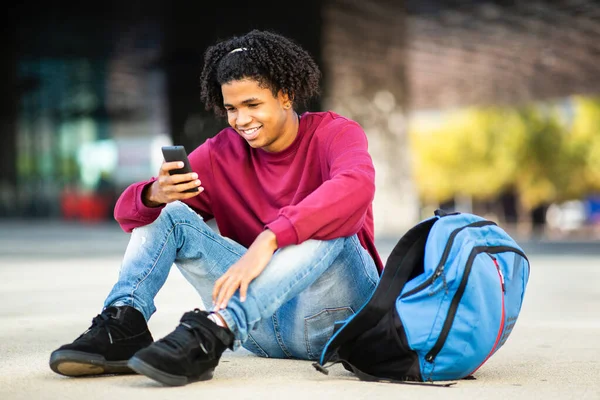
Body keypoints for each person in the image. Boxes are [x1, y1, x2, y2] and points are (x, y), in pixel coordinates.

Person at [49, 29, 383, 386]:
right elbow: (128, 215)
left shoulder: (335, 133)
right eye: (231, 109)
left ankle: (214, 329)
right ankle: (124, 323)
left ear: (285, 96)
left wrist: (272, 237)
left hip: (337, 320)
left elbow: (356, 186)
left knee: (331, 228)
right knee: (171, 212)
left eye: (252, 105)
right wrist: (155, 194)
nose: (241, 120)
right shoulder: (221, 153)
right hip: (263, 328)